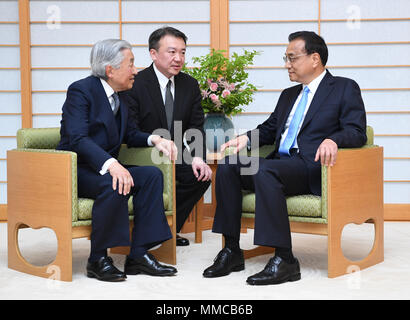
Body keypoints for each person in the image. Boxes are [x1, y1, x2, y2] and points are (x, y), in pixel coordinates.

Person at [203, 31, 367, 285]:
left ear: (314, 59)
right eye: (286, 58)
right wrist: (246, 139)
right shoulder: (289, 95)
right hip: (279, 164)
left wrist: (334, 139)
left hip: (310, 167)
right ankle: (232, 250)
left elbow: (357, 132)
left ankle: (285, 259)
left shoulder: (344, 88)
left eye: (292, 58)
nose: (287, 64)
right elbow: (270, 129)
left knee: (265, 171)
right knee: (228, 166)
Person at [57, 39, 179, 282]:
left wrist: (155, 139)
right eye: (131, 64)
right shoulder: (81, 91)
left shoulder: (122, 95)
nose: (135, 70)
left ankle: (139, 254)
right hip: (76, 168)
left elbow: (130, 133)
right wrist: (111, 165)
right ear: (110, 70)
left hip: (105, 167)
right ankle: (98, 259)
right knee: (115, 182)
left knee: (152, 176)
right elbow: (78, 139)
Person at [125, 27, 212, 246]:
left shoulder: (189, 84)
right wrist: (154, 140)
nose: (179, 58)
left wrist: (198, 157)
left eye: (183, 52)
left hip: (174, 154)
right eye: (172, 52)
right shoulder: (136, 83)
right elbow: (129, 130)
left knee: (200, 175)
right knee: (155, 175)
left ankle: (166, 231)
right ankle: (157, 231)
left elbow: (195, 127)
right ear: (153, 54)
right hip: (143, 153)